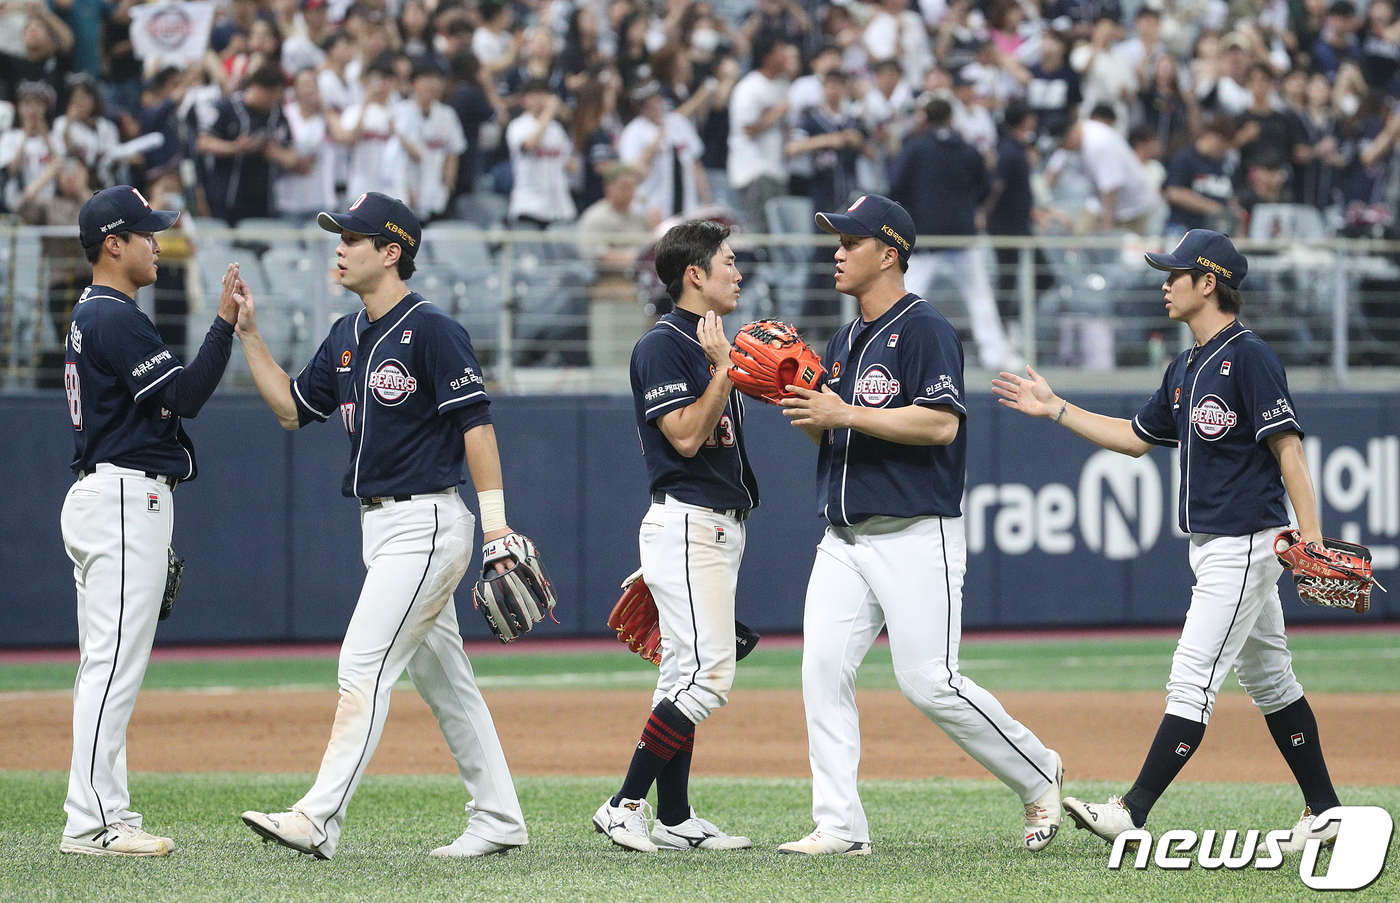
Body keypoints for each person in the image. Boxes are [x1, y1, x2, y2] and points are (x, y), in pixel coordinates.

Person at [992, 230, 1345, 854]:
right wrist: (1056, 409)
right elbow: (1134, 436)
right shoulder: (1184, 365)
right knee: (1271, 682)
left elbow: (1287, 447)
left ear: (1208, 282)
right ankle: (1326, 814)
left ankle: (1131, 810)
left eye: (1174, 273)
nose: (1163, 282)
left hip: (1245, 543)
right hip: (1214, 544)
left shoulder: (1249, 355)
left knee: (1191, 680)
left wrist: (1311, 534)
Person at [235, 192, 530, 860]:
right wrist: (248, 334)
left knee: (362, 665)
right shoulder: (347, 334)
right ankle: (499, 816)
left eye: (353, 236)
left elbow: (475, 425)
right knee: (446, 681)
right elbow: (290, 407)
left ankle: (318, 817)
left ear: (392, 251)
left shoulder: (431, 329)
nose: (339, 246)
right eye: (339, 235)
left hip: (426, 521)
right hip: (383, 529)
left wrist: (498, 529)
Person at [776, 194, 1063, 856]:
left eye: (850, 241)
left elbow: (940, 422)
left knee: (929, 680)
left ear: (889, 252)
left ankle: (1038, 770)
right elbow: (841, 435)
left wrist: (842, 412)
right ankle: (841, 825)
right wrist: (812, 411)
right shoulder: (843, 338)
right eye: (836, 241)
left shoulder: (925, 327)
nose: (838, 252)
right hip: (844, 536)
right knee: (821, 668)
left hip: (914, 529)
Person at [60, 185, 240, 856]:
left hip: (108, 493)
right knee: (112, 668)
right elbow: (185, 395)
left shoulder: (93, 311)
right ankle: (96, 821)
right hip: (123, 500)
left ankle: (105, 811)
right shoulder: (114, 314)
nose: (155, 242)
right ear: (114, 242)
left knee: (102, 667)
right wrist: (223, 323)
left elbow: (162, 406)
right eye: (144, 232)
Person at [592, 219, 755, 854]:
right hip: (689, 520)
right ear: (695, 275)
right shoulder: (663, 345)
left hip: (711, 524)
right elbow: (686, 437)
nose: (738, 273)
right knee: (710, 678)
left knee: (682, 675)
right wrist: (724, 369)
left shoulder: (710, 342)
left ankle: (676, 816)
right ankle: (623, 804)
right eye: (728, 262)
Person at [890, 98, 1019, 372]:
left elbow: (895, 187)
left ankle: (886, 352)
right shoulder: (968, 149)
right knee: (980, 297)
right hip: (962, 236)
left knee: (905, 297)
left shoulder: (914, 148)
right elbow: (986, 187)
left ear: (926, 118)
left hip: (925, 238)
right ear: (951, 118)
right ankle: (994, 354)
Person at [727, 31, 792, 231]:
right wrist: (775, 112)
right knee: (760, 232)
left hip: (776, 170)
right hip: (755, 171)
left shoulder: (781, 85)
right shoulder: (749, 87)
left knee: (777, 233)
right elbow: (748, 129)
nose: (786, 57)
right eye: (780, 52)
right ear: (767, 56)